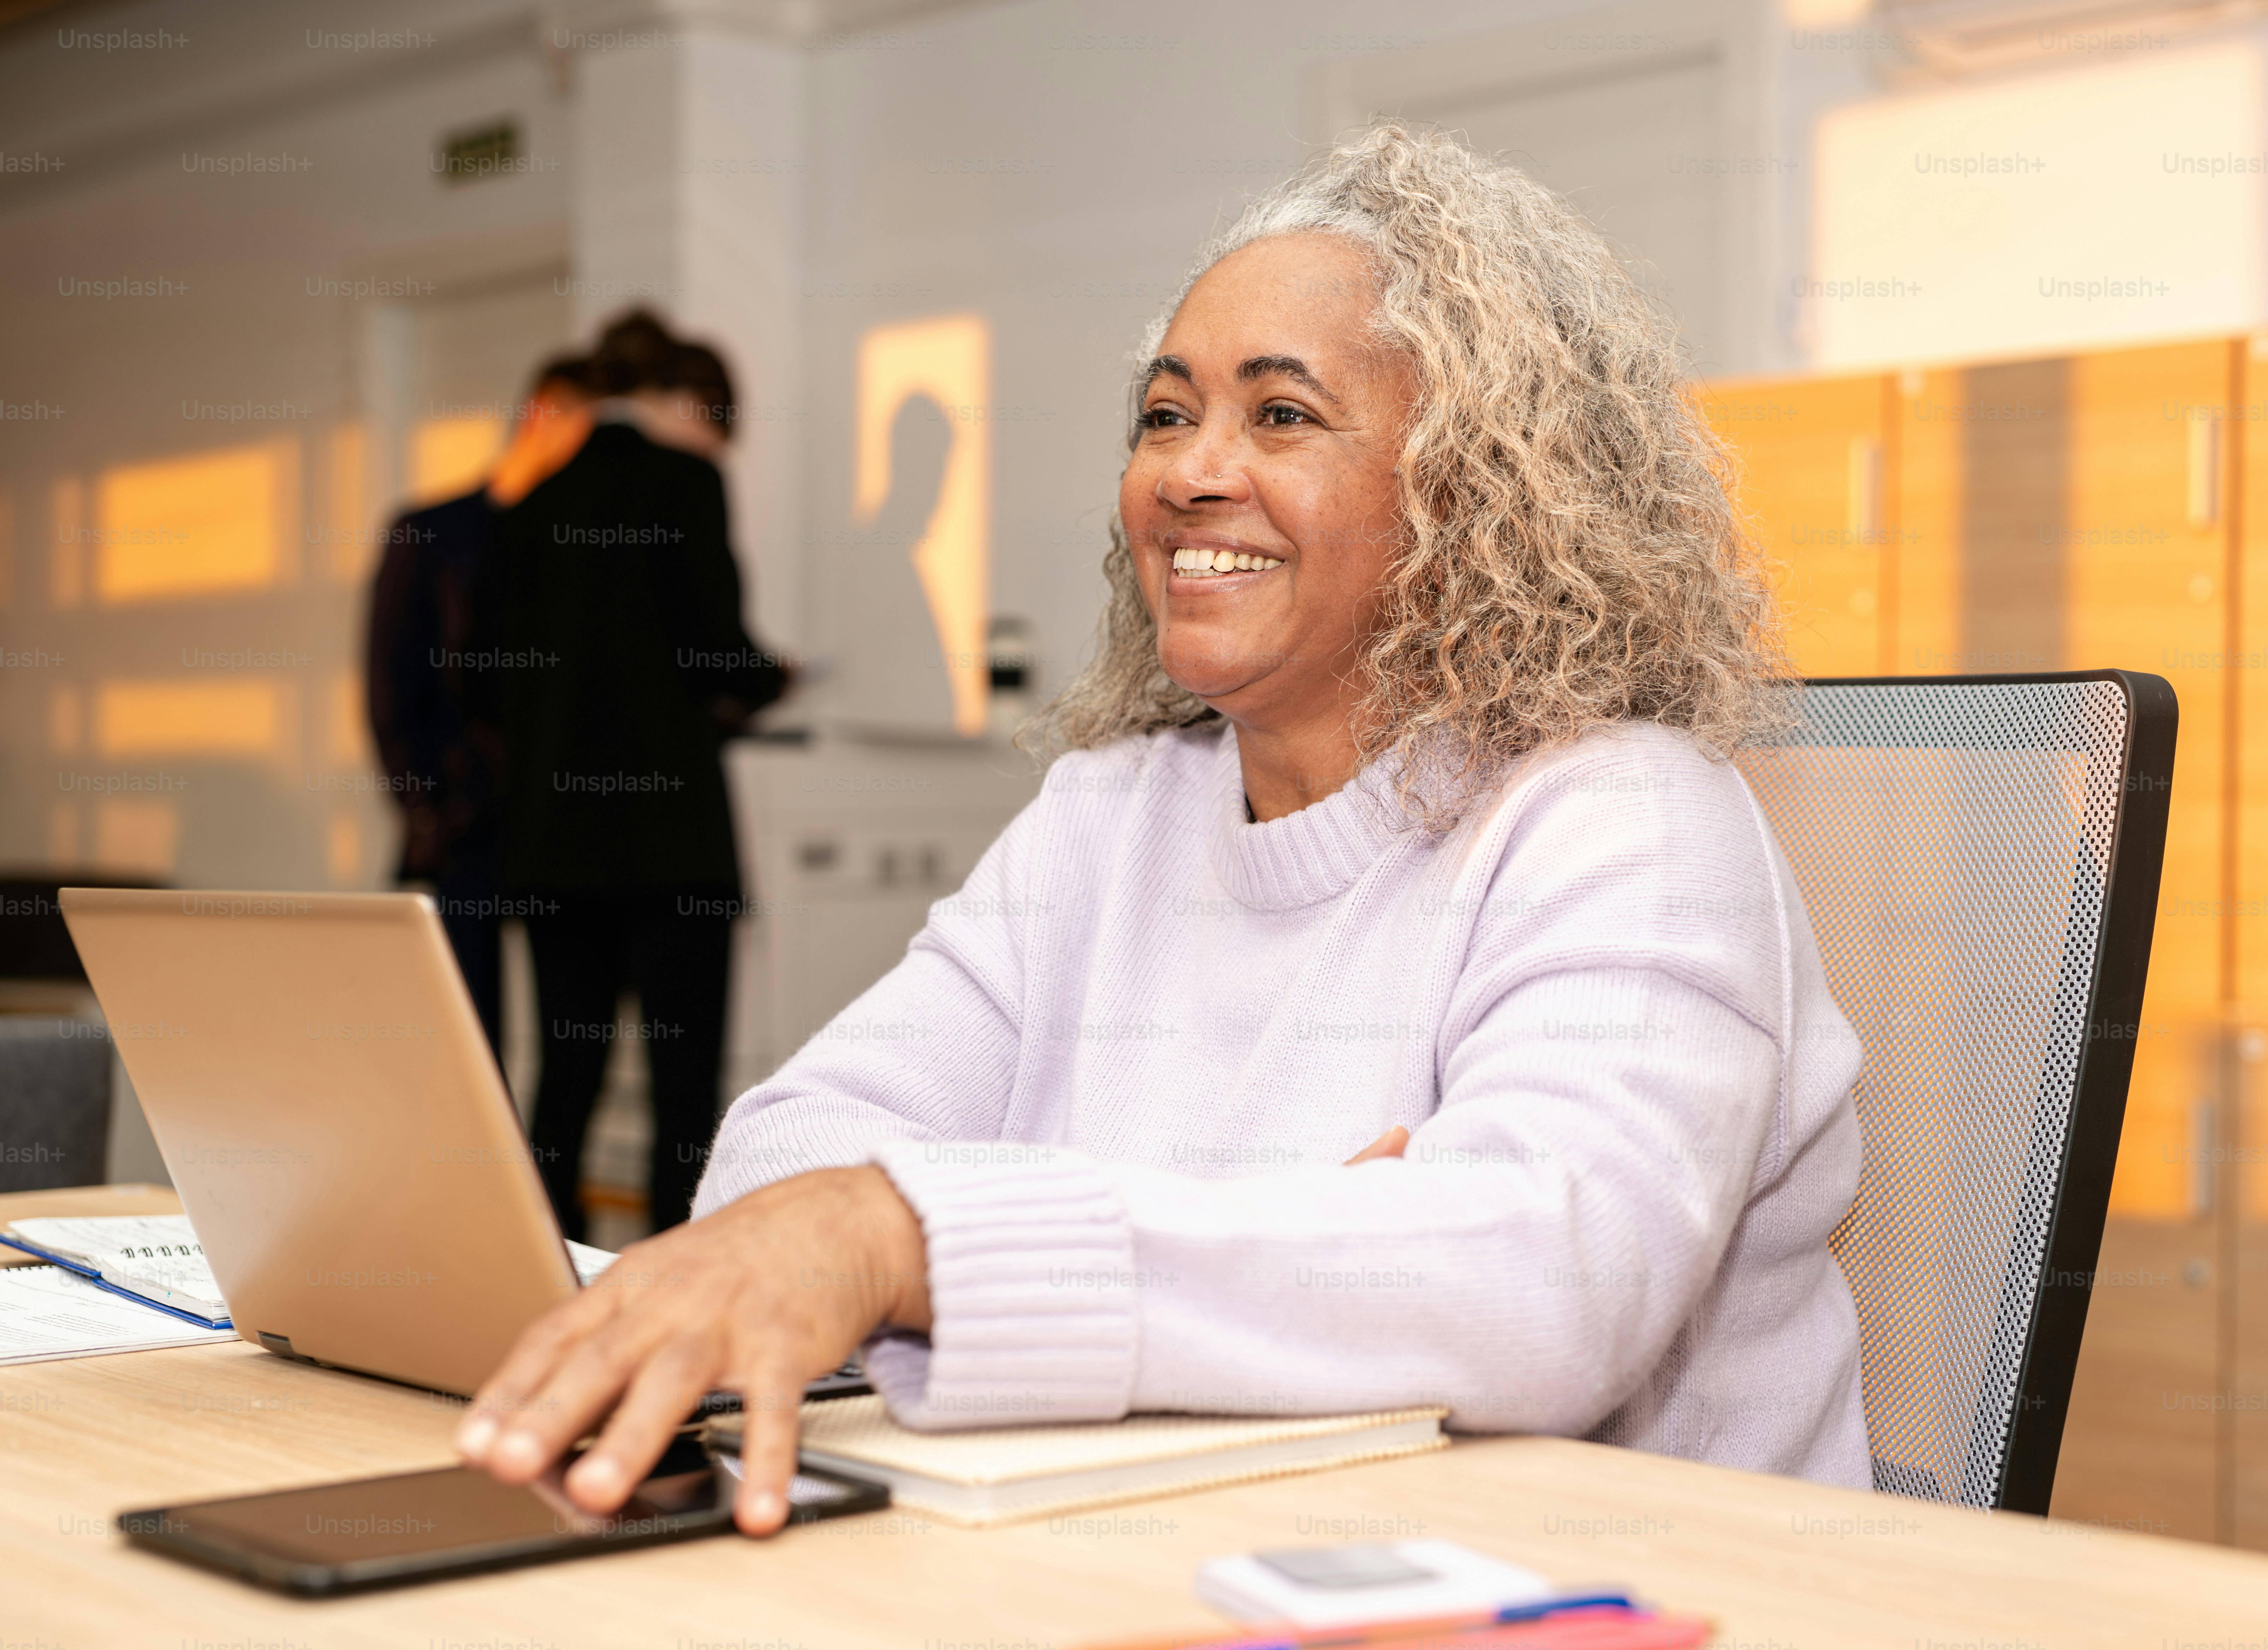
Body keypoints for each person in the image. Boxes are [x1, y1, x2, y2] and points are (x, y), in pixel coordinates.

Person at [456, 123, 1869, 1536]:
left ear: (1471, 484)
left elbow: (1542, 1291)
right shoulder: (1110, 813)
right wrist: (1297, 1243)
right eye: (1164, 412)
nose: (1189, 473)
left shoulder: (1629, 822)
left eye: (1280, 415)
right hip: (1196, 1562)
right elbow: (784, 1167)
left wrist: (920, 1236)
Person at [476, 312, 792, 1244]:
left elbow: (486, 678)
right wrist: (772, 680)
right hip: (667, 844)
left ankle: (543, 1271)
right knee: (682, 1084)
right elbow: (714, 649)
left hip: (552, 842)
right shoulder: (686, 482)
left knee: (564, 1080)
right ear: (690, 404)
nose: (720, 446)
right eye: (719, 424)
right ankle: (672, 1276)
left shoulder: (528, 500)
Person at [366, 355, 595, 1054]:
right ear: (542, 417)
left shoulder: (575, 547)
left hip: (555, 819)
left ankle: (532, 1166)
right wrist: (430, 805)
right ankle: (468, 1166)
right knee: (464, 1035)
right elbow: (391, 688)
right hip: (464, 819)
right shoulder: (431, 531)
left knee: (571, 1037)